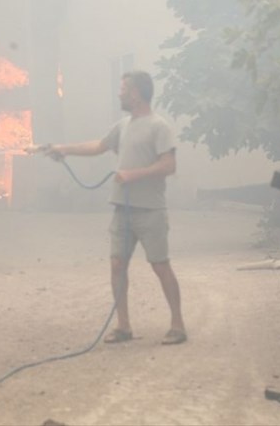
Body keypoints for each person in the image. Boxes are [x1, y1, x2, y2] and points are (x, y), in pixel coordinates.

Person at [26, 70, 187, 345]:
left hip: (150, 211)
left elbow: (168, 165)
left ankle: (178, 325)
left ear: (136, 94)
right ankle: (123, 326)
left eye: (123, 89)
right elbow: (98, 146)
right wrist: (62, 149)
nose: (119, 93)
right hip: (122, 209)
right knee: (117, 265)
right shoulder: (123, 125)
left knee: (160, 266)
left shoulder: (159, 126)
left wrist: (133, 174)